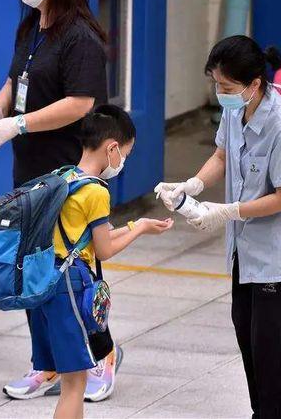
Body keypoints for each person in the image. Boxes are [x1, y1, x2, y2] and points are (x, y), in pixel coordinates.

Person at [0, 0, 120, 401]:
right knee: (34, 265)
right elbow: (14, 80)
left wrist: (19, 123)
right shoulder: (31, 25)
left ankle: (102, 354)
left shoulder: (80, 37)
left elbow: (81, 103)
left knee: (75, 269)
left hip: (67, 172)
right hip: (30, 170)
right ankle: (49, 364)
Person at [156, 36, 281, 418]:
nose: (220, 93)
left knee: (272, 357)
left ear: (255, 83)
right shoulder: (235, 110)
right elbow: (222, 154)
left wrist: (227, 212)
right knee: (250, 345)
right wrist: (193, 185)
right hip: (246, 254)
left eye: (227, 88)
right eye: (216, 84)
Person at [35, 104, 172, 419]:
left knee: (74, 380)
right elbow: (104, 250)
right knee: (75, 385)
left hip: (49, 280)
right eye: (126, 152)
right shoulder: (96, 191)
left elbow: (91, 236)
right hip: (70, 286)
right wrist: (138, 231)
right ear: (112, 148)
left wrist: (139, 226)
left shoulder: (64, 176)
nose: (123, 160)